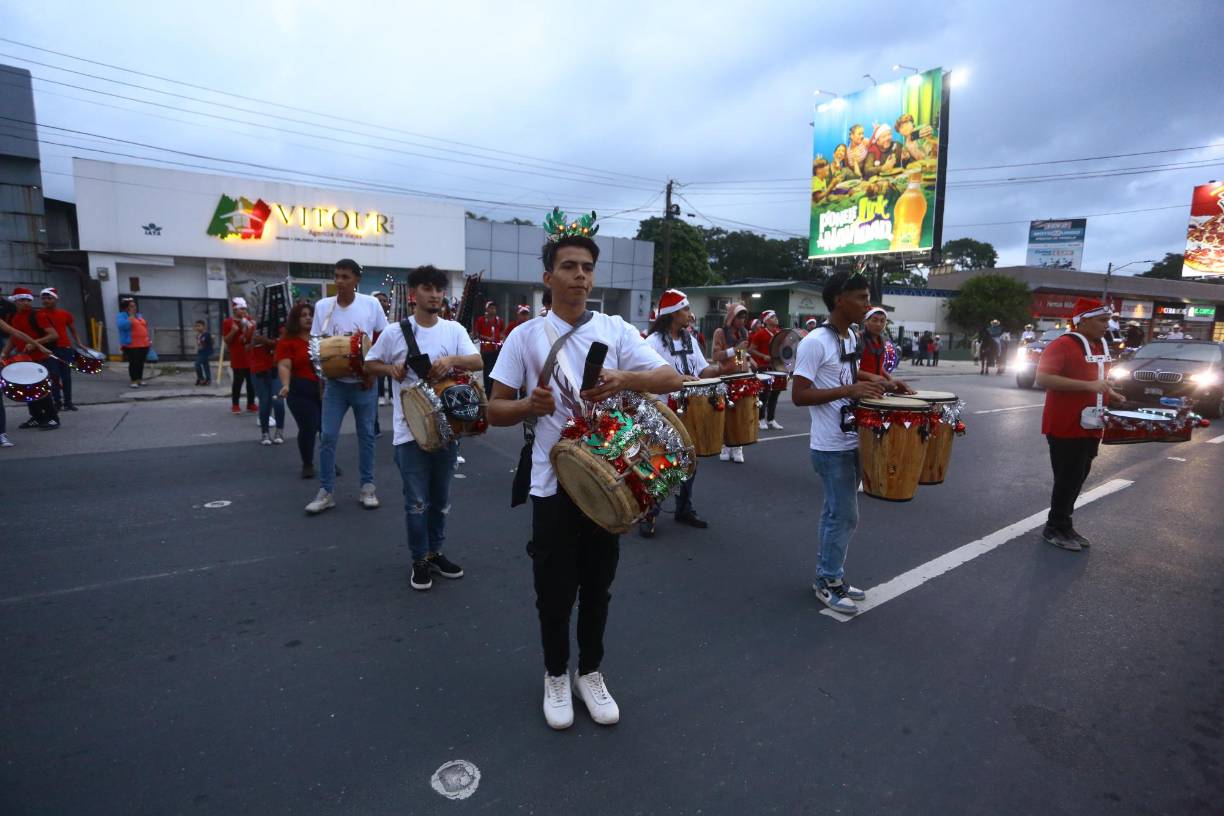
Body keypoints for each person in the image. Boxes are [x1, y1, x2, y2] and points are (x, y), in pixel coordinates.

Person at [487, 215, 682, 731]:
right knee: (553, 589)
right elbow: (493, 410)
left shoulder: (615, 330)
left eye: (587, 268)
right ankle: (556, 674)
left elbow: (670, 377)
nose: (580, 276)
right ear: (548, 276)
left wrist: (624, 377)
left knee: (599, 586)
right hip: (552, 485)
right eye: (568, 266)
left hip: (610, 482)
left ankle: (589, 672)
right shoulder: (525, 337)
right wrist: (530, 405)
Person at [791, 271, 910, 614]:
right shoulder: (815, 341)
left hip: (852, 439)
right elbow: (799, 394)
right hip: (830, 446)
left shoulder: (849, 337)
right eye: (861, 297)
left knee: (838, 514)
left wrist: (884, 382)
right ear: (840, 298)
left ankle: (833, 577)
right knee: (843, 516)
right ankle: (826, 581)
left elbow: (849, 373)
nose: (867, 305)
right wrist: (850, 391)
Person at [365, 265, 481, 591]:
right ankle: (418, 559)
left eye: (439, 290)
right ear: (414, 294)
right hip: (408, 431)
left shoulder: (454, 330)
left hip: (447, 429)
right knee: (416, 501)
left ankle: (435, 552)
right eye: (427, 289)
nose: (434, 295)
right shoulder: (394, 332)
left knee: (440, 498)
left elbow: (478, 361)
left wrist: (453, 360)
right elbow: (369, 363)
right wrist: (391, 367)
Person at [1034, 298, 1124, 552]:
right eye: (1102, 320)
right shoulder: (1062, 344)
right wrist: (1088, 386)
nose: (1107, 325)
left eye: (1108, 320)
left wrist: (1111, 394)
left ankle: (1064, 524)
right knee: (1067, 479)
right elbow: (1043, 378)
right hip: (1065, 425)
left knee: (1077, 478)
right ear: (1083, 320)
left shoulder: (1099, 344)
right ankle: (1054, 528)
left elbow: (1097, 380)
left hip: (1092, 424)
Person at [305, 259, 388, 514]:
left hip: (364, 384)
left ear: (356, 280)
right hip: (335, 385)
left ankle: (367, 487)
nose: (339, 281)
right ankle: (326, 491)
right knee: (327, 436)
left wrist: (373, 371)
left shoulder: (371, 304)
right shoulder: (323, 307)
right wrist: (322, 379)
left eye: (345, 277)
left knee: (366, 437)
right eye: (337, 276)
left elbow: (384, 338)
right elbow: (317, 345)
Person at [640, 289, 718, 537]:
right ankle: (650, 512)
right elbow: (642, 379)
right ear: (673, 314)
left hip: (690, 410)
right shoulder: (651, 344)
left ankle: (684, 508)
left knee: (690, 461)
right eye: (685, 309)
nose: (689, 314)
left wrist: (724, 367)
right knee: (662, 463)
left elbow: (703, 371)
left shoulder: (690, 340)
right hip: (662, 411)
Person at [2, 288, 60, 430]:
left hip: (41, 358)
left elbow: (53, 335)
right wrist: (4, 353)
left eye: (28, 300)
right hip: (25, 359)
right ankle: (37, 417)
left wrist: (36, 344)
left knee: (41, 390)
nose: (26, 303)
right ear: (15, 301)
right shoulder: (14, 317)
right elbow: (13, 337)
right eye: (22, 300)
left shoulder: (38, 315)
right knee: (27, 389)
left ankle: (53, 418)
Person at [276, 302, 322, 479]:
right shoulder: (288, 341)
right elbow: (284, 365)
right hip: (300, 390)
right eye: (303, 315)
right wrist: (285, 385)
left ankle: (329, 462)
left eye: (311, 314)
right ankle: (307, 463)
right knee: (308, 427)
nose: (308, 317)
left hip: (323, 389)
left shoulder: (321, 339)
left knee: (327, 429)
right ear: (296, 319)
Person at [712, 302, 753, 462]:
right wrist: (736, 350)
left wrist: (748, 360)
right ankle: (724, 446)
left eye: (744, 317)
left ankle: (737, 447)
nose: (742, 320)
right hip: (725, 377)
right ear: (731, 317)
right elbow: (716, 356)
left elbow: (739, 356)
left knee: (740, 413)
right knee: (725, 413)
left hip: (741, 377)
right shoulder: (720, 332)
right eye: (739, 317)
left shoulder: (744, 332)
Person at [39, 288, 80, 411]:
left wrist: (79, 343)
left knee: (66, 376)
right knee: (54, 376)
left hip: (66, 349)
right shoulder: (39, 315)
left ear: (56, 299)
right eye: (44, 298)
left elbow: (73, 330)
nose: (46, 301)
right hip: (50, 350)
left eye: (49, 298)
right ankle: (57, 402)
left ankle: (68, 402)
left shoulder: (65, 314)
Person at [249, 320, 286, 447]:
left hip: (276, 368)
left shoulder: (282, 327)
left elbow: (283, 344)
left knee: (278, 401)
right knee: (265, 402)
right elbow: (247, 347)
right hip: (258, 369)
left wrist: (265, 341)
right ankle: (265, 433)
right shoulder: (254, 326)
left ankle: (279, 431)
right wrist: (254, 341)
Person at [749, 309, 784, 430]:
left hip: (775, 367)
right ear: (767, 320)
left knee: (775, 393)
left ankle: (771, 419)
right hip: (763, 367)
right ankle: (761, 419)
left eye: (775, 316)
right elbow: (751, 349)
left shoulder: (779, 333)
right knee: (764, 394)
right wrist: (763, 356)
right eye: (773, 317)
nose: (776, 318)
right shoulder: (760, 333)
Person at [222, 298, 256, 413]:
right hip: (237, 357)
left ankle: (250, 403)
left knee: (251, 382)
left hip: (250, 356)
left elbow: (254, 336)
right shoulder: (228, 322)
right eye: (241, 309)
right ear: (235, 309)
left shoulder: (249, 320)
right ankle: (235, 404)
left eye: (244, 309)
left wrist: (252, 327)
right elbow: (226, 340)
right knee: (238, 382)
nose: (243, 311)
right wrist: (233, 331)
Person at [859, 306, 899, 384]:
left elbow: (878, 366)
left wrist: (890, 379)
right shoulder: (858, 339)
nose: (878, 324)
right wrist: (872, 377)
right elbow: (848, 369)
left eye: (882, 321)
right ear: (865, 321)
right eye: (874, 320)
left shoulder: (883, 341)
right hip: (860, 387)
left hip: (878, 386)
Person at [117, 298, 151, 388]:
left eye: (135, 306)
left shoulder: (139, 316)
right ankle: (134, 380)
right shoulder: (122, 316)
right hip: (131, 345)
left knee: (140, 363)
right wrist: (130, 318)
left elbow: (144, 327)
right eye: (132, 306)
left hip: (143, 344)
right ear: (126, 308)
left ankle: (140, 379)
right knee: (134, 363)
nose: (134, 307)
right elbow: (122, 326)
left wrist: (148, 339)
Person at [473, 300, 506, 393]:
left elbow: (503, 332)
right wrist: (487, 338)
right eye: (491, 308)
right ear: (487, 309)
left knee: (496, 371)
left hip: (497, 350)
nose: (493, 310)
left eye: (495, 308)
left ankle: (494, 391)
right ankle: (487, 392)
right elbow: (476, 334)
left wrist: (501, 337)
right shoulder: (481, 320)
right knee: (487, 372)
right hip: (486, 350)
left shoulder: (499, 320)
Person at [194, 320, 214, 386]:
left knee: (197, 364)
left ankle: (201, 378)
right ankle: (207, 379)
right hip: (200, 352)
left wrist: (212, 339)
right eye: (196, 326)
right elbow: (199, 344)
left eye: (199, 326)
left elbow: (211, 342)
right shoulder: (198, 335)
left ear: (204, 327)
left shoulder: (207, 334)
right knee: (205, 365)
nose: (197, 328)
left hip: (206, 352)